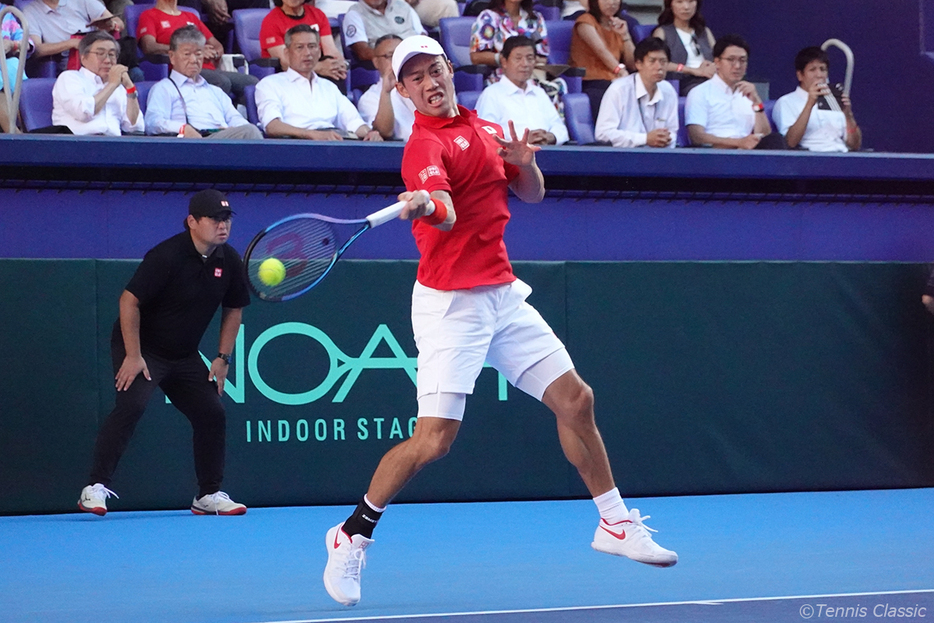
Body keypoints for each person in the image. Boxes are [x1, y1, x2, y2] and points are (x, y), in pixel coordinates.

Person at [321, 34, 678, 608]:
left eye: (435, 69)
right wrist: (428, 203)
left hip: (502, 295)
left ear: (447, 70)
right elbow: (446, 210)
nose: (430, 82)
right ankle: (351, 533)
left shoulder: (487, 128)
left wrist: (527, 166)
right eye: (415, 78)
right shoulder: (420, 147)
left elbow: (531, 195)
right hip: (450, 306)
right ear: (403, 89)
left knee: (576, 400)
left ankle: (613, 524)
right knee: (434, 441)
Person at [77, 189, 251, 517]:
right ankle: (94, 488)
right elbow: (128, 301)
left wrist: (223, 357)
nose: (222, 225)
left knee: (212, 413)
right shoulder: (166, 256)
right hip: (143, 349)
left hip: (183, 355)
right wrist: (133, 354)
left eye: (226, 218)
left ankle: (208, 495)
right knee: (132, 405)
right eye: (214, 218)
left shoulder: (229, 260)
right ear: (192, 222)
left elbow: (234, 309)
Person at [256, 25, 382, 140]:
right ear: (287, 53)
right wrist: (309, 134)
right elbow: (272, 126)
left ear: (319, 51)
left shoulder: (329, 87)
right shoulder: (270, 84)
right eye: (300, 47)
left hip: (332, 143)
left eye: (312, 46)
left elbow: (353, 121)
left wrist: (368, 133)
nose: (307, 53)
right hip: (296, 143)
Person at [144, 25, 263, 139]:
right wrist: (182, 128)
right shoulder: (164, 88)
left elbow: (235, 118)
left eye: (198, 54)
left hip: (221, 139)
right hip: (190, 144)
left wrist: (235, 128)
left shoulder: (215, 91)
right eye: (187, 54)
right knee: (250, 132)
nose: (193, 60)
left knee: (250, 129)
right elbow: (152, 122)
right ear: (172, 57)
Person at [137, 0, 258, 101]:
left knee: (251, 82)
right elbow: (149, 46)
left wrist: (213, 53)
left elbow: (217, 45)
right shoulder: (149, 15)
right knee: (221, 82)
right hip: (179, 69)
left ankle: (241, 118)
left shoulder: (190, 16)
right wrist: (194, 51)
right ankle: (211, 122)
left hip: (206, 68)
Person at [684, 34, 783, 150]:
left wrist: (757, 102)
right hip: (715, 153)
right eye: (731, 60)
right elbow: (696, 136)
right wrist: (738, 142)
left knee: (776, 140)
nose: (737, 66)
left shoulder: (748, 94)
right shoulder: (700, 92)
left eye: (742, 61)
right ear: (717, 62)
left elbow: (764, 135)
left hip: (746, 153)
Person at [469, 0, 566, 110]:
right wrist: (507, 59)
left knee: (557, 86)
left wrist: (526, 60)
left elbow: (542, 57)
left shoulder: (535, 18)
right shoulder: (488, 17)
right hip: (501, 76)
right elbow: (476, 57)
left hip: (531, 74)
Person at [475, 35, 568, 146]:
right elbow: (485, 134)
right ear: (504, 62)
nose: (525, 64)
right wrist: (521, 140)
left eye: (529, 58)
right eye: (518, 58)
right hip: (509, 159)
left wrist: (550, 137)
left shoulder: (539, 93)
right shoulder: (491, 94)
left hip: (547, 153)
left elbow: (561, 130)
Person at [51, 30, 144, 135]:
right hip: (78, 144)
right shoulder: (70, 78)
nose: (108, 60)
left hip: (114, 145)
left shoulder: (119, 88)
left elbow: (135, 126)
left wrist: (130, 88)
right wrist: (112, 85)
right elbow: (83, 112)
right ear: (83, 58)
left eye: (112, 54)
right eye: (100, 54)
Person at [772, 46, 861, 153]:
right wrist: (810, 104)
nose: (819, 75)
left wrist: (848, 116)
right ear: (800, 75)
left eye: (822, 69)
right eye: (812, 70)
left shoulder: (834, 101)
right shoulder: (786, 102)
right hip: (809, 159)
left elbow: (855, 145)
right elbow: (790, 142)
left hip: (841, 156)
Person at [595, 36, 677, 148]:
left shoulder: (668, 90)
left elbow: (672, 130)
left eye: (663, 62)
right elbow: (603, 134)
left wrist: (665, 138)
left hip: (659, 155)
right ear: (638, 64)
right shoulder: (618, 90)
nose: (659, 67)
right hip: (624, 157)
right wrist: (645, 139)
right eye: (652, 61)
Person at [568, 0, 634, 118]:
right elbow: (601, 51)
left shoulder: (618, 25)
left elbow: (633, 63)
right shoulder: (585, 21)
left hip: (614, 79)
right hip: (592, 80)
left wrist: (625, 35)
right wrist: (620, 70)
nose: (612, 3)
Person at [21, 0, 124, 72]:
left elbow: (119, 23)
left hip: (96, 44)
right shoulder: (30, 11)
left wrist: (112, 25)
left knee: (134, 73)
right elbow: (37, 49)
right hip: (68, 55)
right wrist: (72, 43)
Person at [259, 0, 347, 83]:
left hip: (316, 66)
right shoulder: (270, 21)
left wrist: (338, 65)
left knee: (335, 72)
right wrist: (319, 67)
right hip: (287, 76)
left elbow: (331, 50)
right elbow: (286, 62)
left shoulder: (317, 14)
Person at [356, 34, 416, 140]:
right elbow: (384, 132)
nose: (397, 61)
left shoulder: (424, 85)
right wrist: (386, 92)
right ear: (376, 62)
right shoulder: (369, 98)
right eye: (390, 56)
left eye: (402, 55)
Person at [651, 0, 715, 96]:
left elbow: (720, 57)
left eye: (690, 1)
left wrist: (713, 67)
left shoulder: (704, 31)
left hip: (710, 78)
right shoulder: (662, 32)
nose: (686, 7)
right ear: (670, 5)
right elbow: (657, 62)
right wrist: (693, 70)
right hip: (683, 81)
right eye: (679, 2)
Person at [342, 0, 424, 64]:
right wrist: (393, 56)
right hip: (388, 62)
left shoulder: (402, 5)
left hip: (416, 55)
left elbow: (422, 35)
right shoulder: (354, 13)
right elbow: (363, 52)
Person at [2, 9, 32, 133]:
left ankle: (29, 128)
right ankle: (14, 132)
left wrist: (12, 44)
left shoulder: (6, 14)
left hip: (6, 62)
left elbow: (28, 44)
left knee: (14, 66)